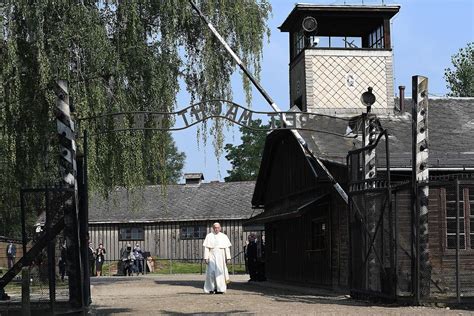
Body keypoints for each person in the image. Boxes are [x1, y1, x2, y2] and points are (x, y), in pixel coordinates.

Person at [203, 222, 231, 294]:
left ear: (220, 228)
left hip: (221, 256)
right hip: (211, 255)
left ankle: (220, 289)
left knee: (220, 272)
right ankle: (210, 288)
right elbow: (207, 248)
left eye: (218, 228)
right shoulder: (209, 236)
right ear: (213, 228)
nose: (216, 229)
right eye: (215, 228)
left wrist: (228, 258)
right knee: (211, 272)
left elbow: (226, 248)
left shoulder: (224, 236)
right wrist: (206, 257)